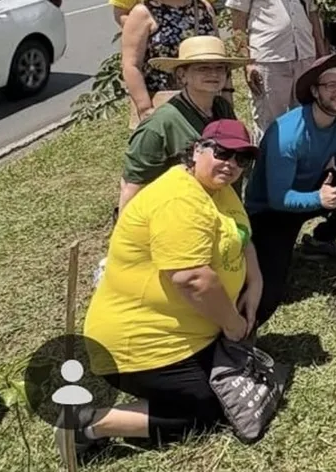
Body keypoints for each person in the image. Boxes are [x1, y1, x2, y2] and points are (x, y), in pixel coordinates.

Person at [77, 121, 261, 453]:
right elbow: (192, 279)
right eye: (222, 152)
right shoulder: (178, 199)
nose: (232, 164)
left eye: (241, 158)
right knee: (210, 410)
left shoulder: (219, 187)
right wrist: (233, 324)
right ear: (196, 150)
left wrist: (255, 280)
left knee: (237, 389)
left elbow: (241, 234)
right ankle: (90, 422)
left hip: (190, 333)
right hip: (140, 343)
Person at [246, 55, 336, 327]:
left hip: (311, 192)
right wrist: (318, 198)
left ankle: (319, 242)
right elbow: (278, 199)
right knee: (270, 295)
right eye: (331, 85)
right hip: (270, 212)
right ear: (315, 91)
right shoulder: (287, 134)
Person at [121, 37, 246, 210]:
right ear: (182, 75)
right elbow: (133, 185)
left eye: (220, 68)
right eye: (203, 68)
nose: (214, 74)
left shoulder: (222, 108)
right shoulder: (161, 124)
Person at [229, 0, 326, 136]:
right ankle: (268, 167)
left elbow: (312, 16)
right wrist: (247, 63)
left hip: (305, 56)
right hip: (269, 59)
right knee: (270, 122)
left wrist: (320, 53)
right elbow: (238, 25)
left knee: (304, 117)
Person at [121, 0, 217, 124]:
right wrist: (145, 109)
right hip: (163, 105)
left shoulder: (204, 8)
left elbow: (219, 59)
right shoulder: (142, 13)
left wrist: (226, 100)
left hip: (206, 102)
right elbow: (130, 65)